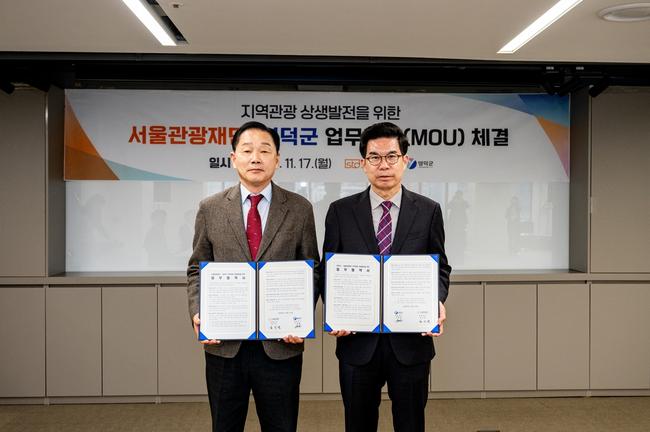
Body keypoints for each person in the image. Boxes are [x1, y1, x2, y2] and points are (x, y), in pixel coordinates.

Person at [187, 121, 319, 432]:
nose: (255, 158)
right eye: (247, 151)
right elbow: (197, 267)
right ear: (234, 158)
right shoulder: (210, 208)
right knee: (225, 425)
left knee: (281, 426)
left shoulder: (299, 208)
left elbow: (311, 269)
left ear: (277, 159)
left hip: (280, 344)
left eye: (264, 151)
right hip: (225, 345)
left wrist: (301, 318)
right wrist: (197, 310)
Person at [321, 122, 451, 432]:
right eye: (375, 157)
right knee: (358, 424)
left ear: (405, 160)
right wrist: (335, 311)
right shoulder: (340, 211)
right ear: (363, 163)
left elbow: (440, 266)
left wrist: (436, 300)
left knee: (410, 424)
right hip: (357, 342)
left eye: (392, 156)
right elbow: (329, 270)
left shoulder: (428, 210)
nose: (384, 165)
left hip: (410, 342)